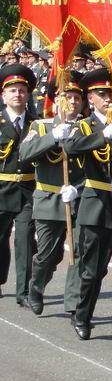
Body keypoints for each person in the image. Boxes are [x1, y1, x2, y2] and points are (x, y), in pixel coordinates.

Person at [62, 68, 112, 341]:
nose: (108, 99)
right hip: (96, 206)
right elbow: (71, 147)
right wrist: (103, 136)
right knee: (93, 270)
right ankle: (83, 315)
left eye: (111, 93)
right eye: (102, 94)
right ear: (90, 98)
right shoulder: (84, 126)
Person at [19, 72, 85, 316]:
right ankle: (36, 286)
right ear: (56, 100)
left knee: (79, 251)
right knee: (49, 254)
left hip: (79, 198)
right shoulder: (41, 126)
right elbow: (25, 154)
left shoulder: (86, 127)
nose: (73, 102)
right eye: (68, 97)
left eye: (77, 97)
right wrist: (52, 137)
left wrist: (79, 188)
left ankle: (74, 304)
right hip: (49, 199)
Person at [0, 63, 37, 304]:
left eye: (22, 90)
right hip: (1, 189)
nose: (18, 94)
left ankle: (23, 291)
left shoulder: (36, 123)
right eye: (12, 90)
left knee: (25, 240)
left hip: (27, 190)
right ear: (3, 95)